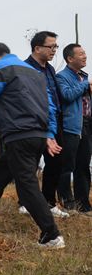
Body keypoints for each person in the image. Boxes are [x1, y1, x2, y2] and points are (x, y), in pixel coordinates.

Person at [0, 42, 64, 249]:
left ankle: (51, 234)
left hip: (19, 133)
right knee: (2, 171)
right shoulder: (34, 72)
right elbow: (50, 106)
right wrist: (48, 134)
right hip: (37, 133)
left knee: (26, 184)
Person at [21, 31, 67, 217]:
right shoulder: (25, 68)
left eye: (56, 46)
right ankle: (26, 203)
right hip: (34, 123)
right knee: (30, 164)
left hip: (54, 120)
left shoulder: (50, 69)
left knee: (56, 161)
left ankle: (49, 201)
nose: (54, 50)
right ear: (37, 47)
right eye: (51, 46)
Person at [56, 43, 91, 214]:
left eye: (85, 53)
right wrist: (85, 84)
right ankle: (66, 202)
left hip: (86, 125)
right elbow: (67, 95)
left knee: (83, 165)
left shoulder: (83, 77)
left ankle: (83, 204)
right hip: (70, 126)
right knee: (67, 165)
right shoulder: (62, 77)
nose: (85, 56)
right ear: (70, 59)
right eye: (81, 54)